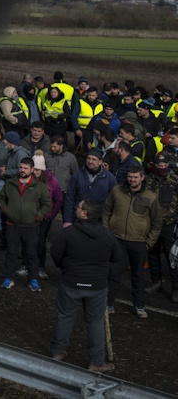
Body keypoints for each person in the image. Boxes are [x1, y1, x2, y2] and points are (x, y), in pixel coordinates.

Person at [48, 199, 125, 373]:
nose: (76, 209)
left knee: (65, 317)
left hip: (71, 283)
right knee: (95, 322)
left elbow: (56, 254)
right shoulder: (107, 235)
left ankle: (57, 352)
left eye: (79, 207)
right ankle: (97, 361)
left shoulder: (69, 233)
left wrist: (66, 268)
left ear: (85, 213)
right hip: (96, 286)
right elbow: (117, 257)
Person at [103, 164, 161, 318]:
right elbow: (107, 211)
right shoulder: (117, 191)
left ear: (142, 177)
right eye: (130, 176)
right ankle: (108, 303)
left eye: (136, 177)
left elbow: (157, 222)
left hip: (139, 242)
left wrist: (149, 243)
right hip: (117, 239)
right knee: (113, 272)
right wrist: (108, 234)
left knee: (138, 275)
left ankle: (139, 305)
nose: (132, 180)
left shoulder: (150, 197)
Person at [0, 158, 52, 291]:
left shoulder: (39, 187)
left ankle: (33, 279)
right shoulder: (10, 184)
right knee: (11, 252)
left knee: (31, 253)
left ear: (32, 170)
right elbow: (1, 198)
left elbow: (47, 204)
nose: (22, 170)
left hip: (31, 226)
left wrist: (37, 216)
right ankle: (8, 277)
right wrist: (6, 210)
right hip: (12, 224)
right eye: (21, 167)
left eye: (26, 168)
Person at [144, 150, 178, 302]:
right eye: (159, 164)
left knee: (172, 257)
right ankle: (156, 282)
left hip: (170, 225)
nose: (162, 167)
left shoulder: (175, 181)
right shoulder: (149, 180)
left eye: (165, 165)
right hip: (152, 224)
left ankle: (175, 288)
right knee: (152, 254)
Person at [28, 154, 64, 280]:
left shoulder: (52, 181)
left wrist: (50, 215)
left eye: (37, 170)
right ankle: (27, 265)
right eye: (33, 169)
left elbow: (58, 199)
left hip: (44, 217)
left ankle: (41, 267)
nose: (35, 172)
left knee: (41, 242)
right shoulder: (28, 179)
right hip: (29, 216)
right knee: (28, 240)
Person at [63, 150, 118, 226]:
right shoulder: (77, 176)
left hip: (99, 220)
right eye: (88, 158)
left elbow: (114, 200)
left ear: (100, 162)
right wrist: (67, 220)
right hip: (78, 219)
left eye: (94, 159)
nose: (90, 161)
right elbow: (70, 198)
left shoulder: (109, 178)